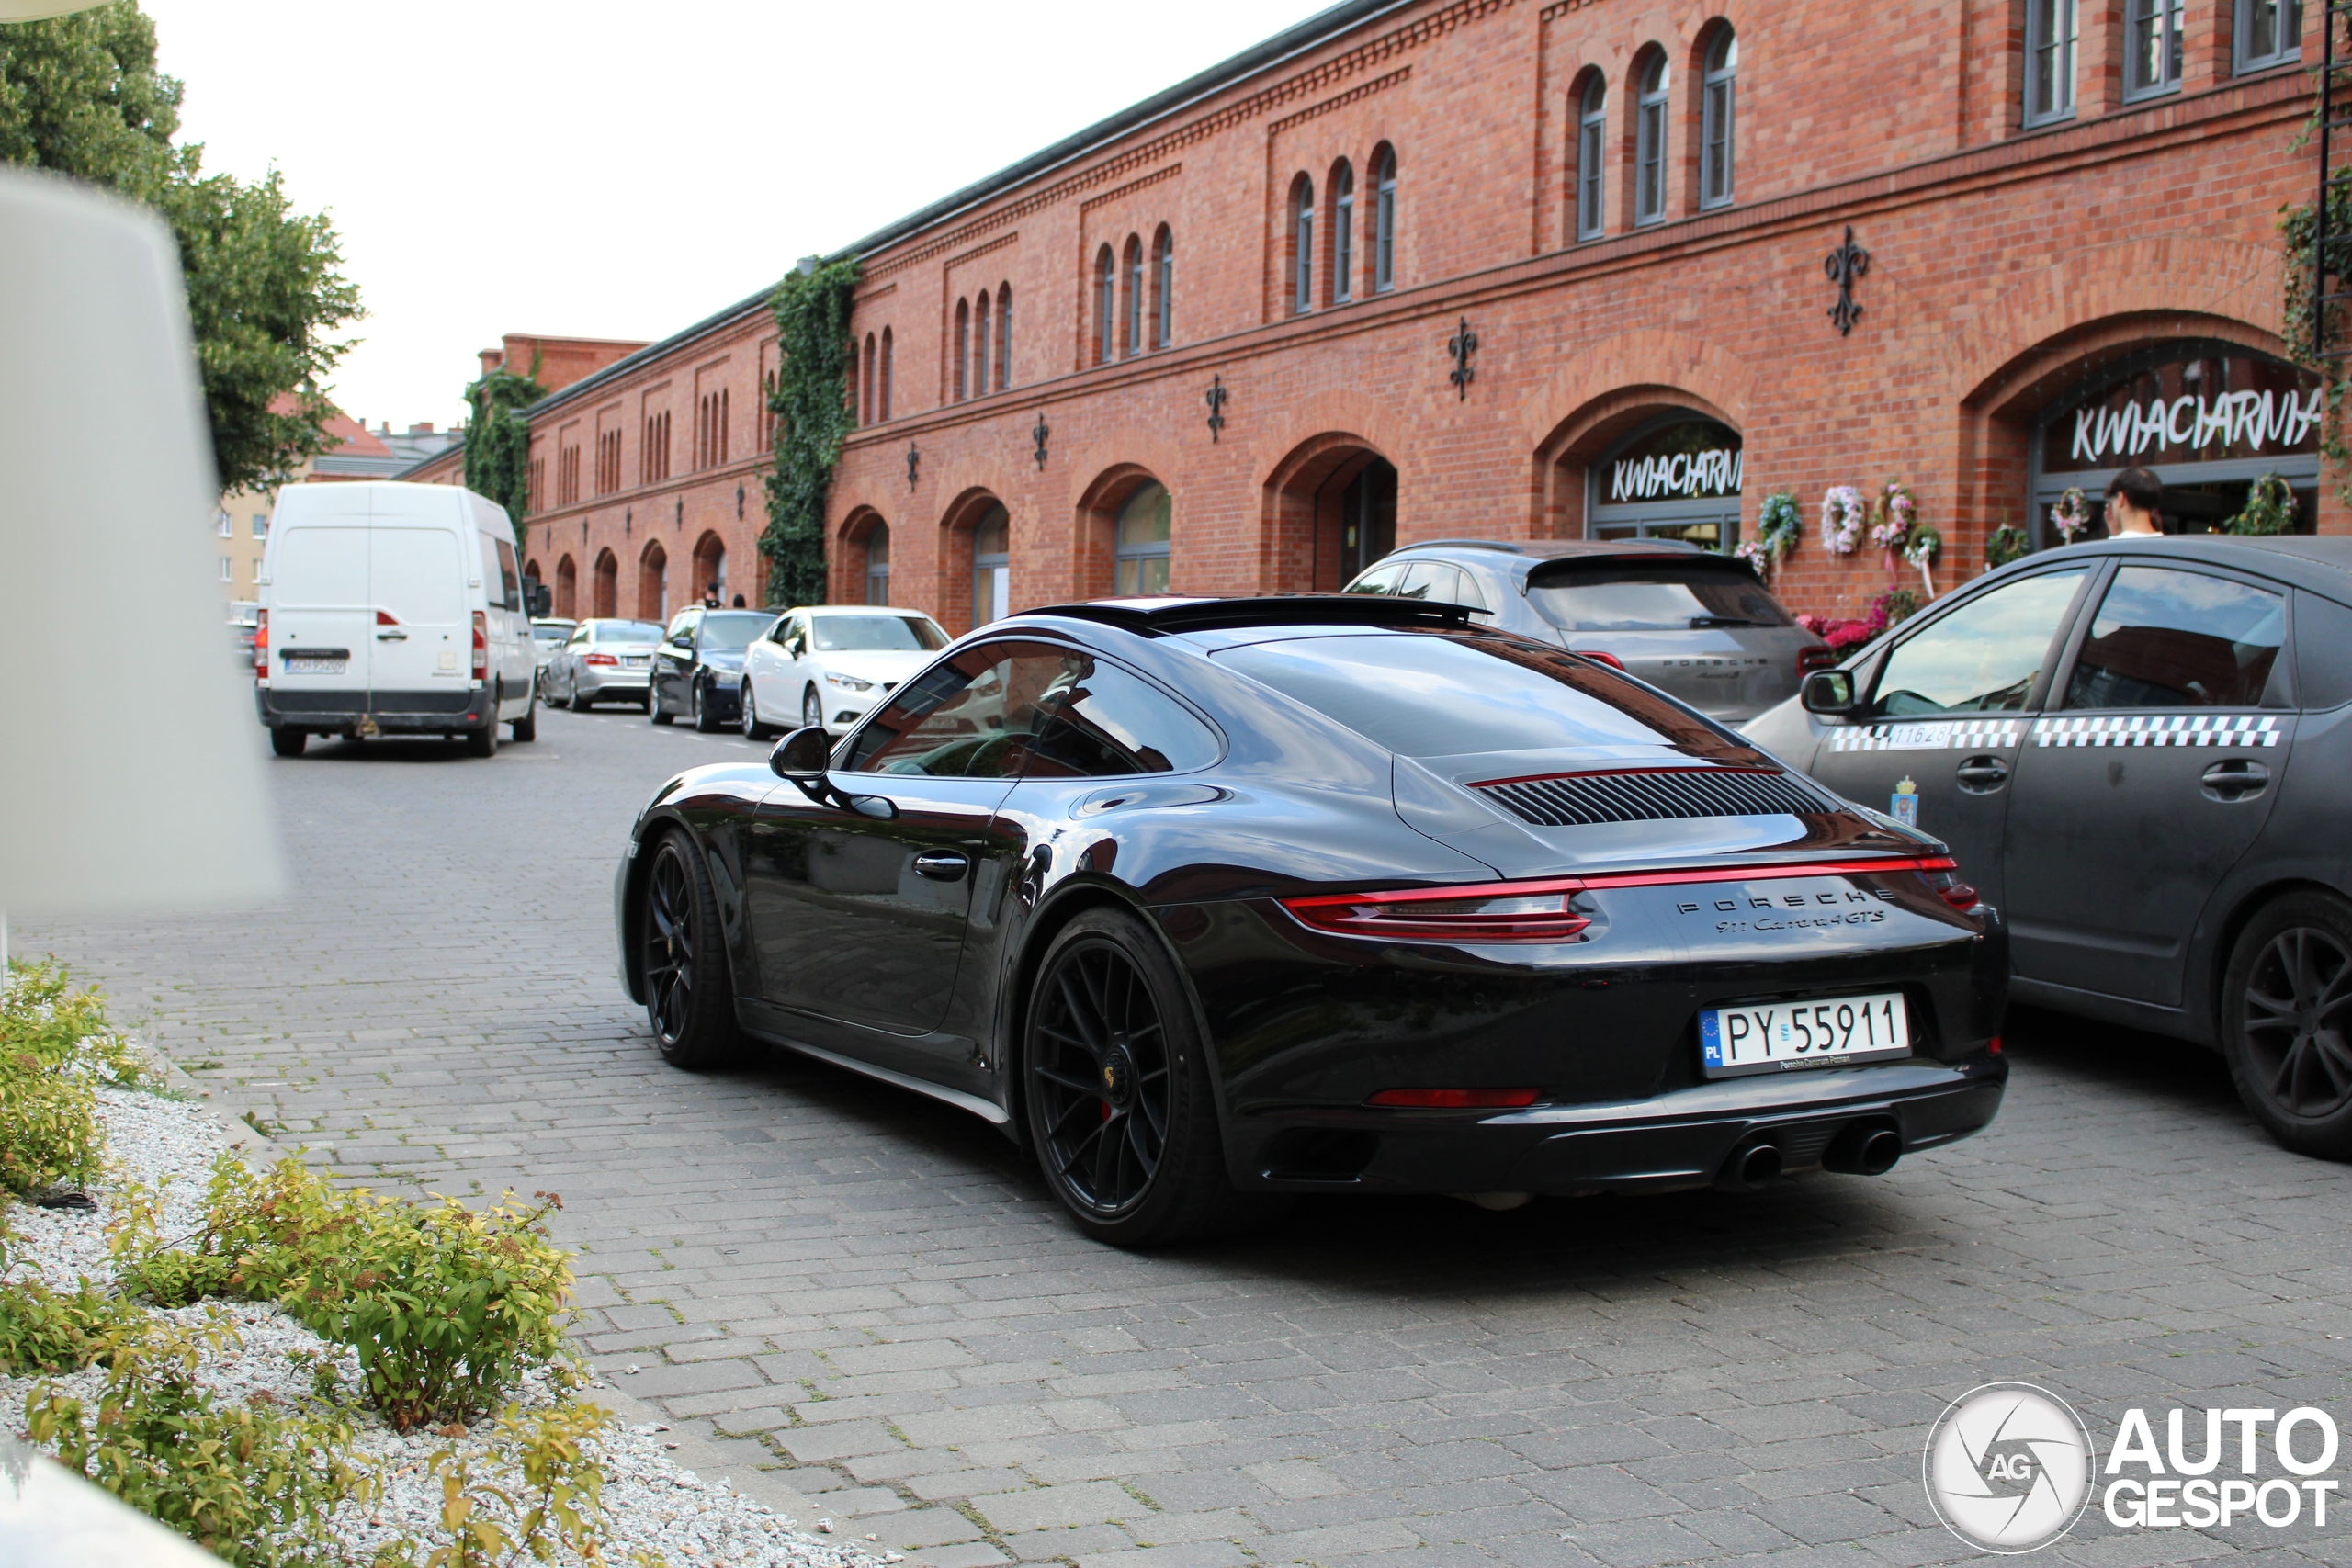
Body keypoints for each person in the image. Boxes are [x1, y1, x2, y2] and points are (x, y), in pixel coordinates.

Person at [2104, 467, 2165, 537]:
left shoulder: (2105, 547)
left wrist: (2115, 536)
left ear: (2121, 498)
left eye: (2111, 501)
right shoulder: (2174, 546)